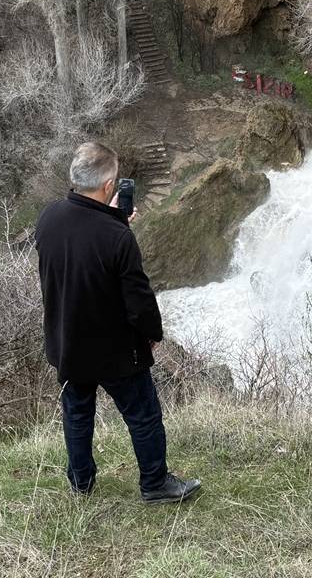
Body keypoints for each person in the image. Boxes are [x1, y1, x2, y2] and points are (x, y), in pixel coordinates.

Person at [34, 141, 201, 505]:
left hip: (68, 341)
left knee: (77, 414)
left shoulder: (48, 218)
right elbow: (138, 298)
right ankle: (155, 484)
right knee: (143, 415)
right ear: (109, 187)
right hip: (114, 349)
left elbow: (77, 255)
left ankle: (81, 482)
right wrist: (152, 335)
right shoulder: (117, 236)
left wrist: (112, 220)